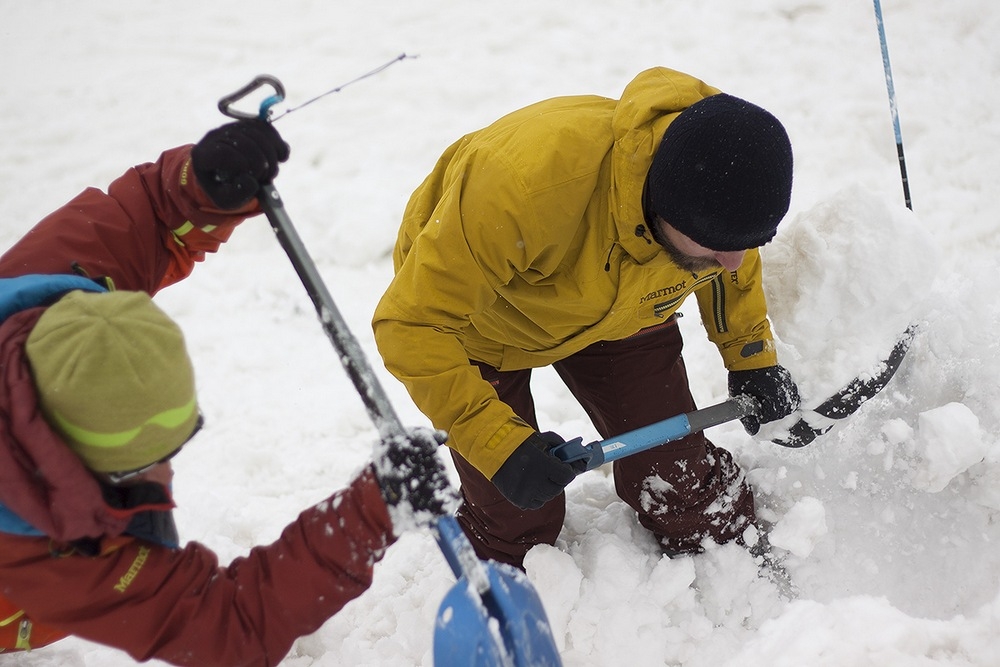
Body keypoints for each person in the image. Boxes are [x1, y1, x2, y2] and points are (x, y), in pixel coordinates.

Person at [0, 120, 456, 665]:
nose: (160, 474)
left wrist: (202, 183)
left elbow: (139, 215)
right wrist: (372, 514)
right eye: (131, 471)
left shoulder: (55, 302)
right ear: (64, 459)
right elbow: (224, 625)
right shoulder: (43, 554)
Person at [372, 66, 801, 570]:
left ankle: (741, 573)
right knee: (519, 520)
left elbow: (732, 252)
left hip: (626, 311)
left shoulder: (719, 184)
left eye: (748, 243)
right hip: (485, 322)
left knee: (681, 485)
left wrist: (751, 355)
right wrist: (498, 444)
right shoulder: (521, 186)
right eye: (716, 247)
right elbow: (411, 324)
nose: (733, 263)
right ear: (664, 209)